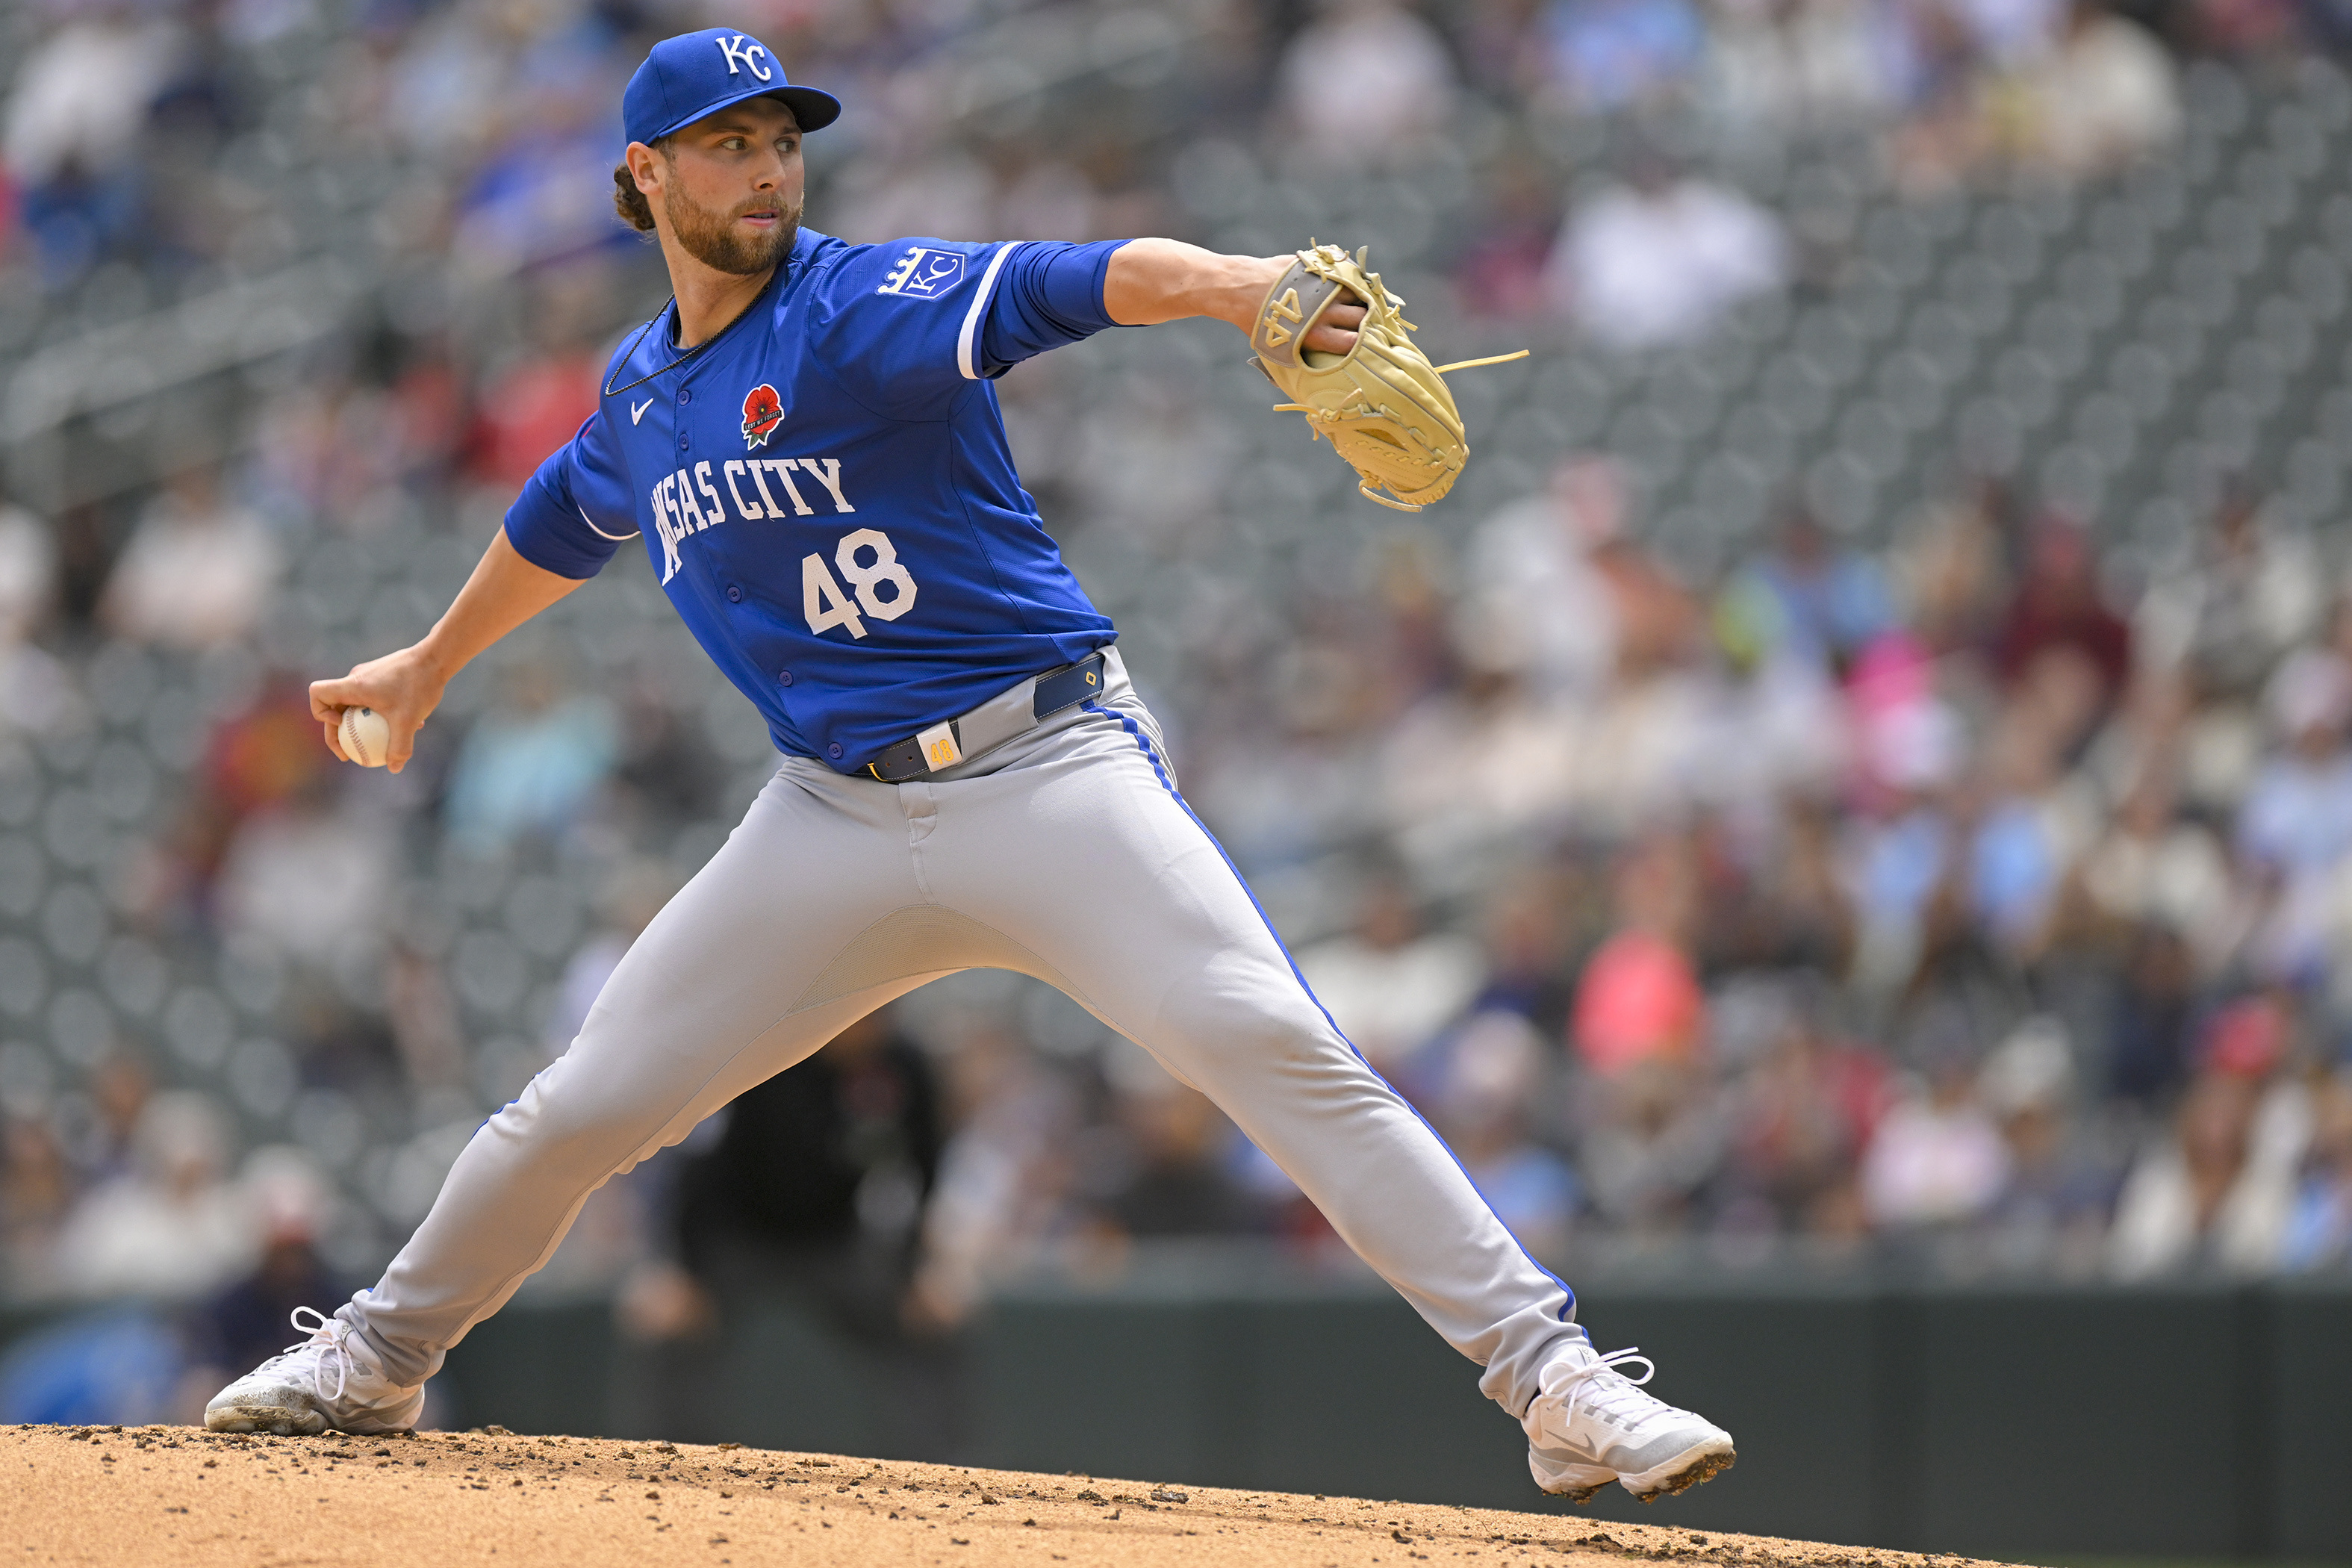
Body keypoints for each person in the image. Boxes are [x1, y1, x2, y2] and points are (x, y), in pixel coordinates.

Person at [200, 27, 1735, 1505]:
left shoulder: (862, 304)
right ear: (643, 177)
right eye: (727, 145)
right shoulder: (641, 393)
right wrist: (429, 662)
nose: (766, 170)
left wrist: (1243, 287)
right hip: (831, 817)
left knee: (1269, 1041)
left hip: (1047, 767)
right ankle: (377, 1358)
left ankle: (1556, 1383)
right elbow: (559, 518)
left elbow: (1082, 281)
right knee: (586, 1103)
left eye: (781, 141)